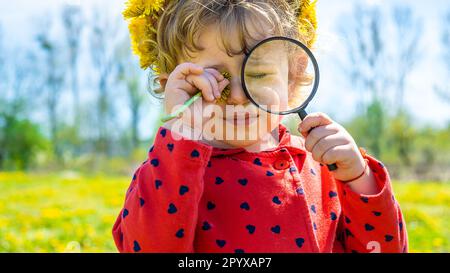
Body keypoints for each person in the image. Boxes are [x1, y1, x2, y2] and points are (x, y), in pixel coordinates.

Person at [112, 0, 408, 253]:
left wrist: (360, 178)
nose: (239, 97)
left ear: (292, 78)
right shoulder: (169, 171)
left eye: (259, 74)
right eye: (214, 79)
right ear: (174, 87)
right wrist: (184, 129)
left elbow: (385, 246)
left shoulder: (322, 164)